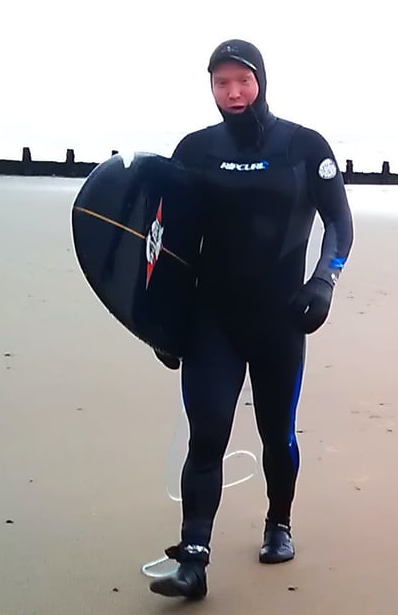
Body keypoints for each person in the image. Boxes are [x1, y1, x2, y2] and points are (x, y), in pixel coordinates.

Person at [149, 39, 354, 601]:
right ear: (210, 87)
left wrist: (323, 281)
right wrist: (162, 321)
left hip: (279, 319)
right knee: (207, 434)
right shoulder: (194, 150)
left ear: (261, 80)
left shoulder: (303, 146)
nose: (233, 93)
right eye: (221, 83)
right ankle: (193, 558)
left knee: (275, 433)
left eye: (243, 80)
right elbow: (165, 240)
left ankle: (278, 522)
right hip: (210, 318)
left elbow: (339, 222)